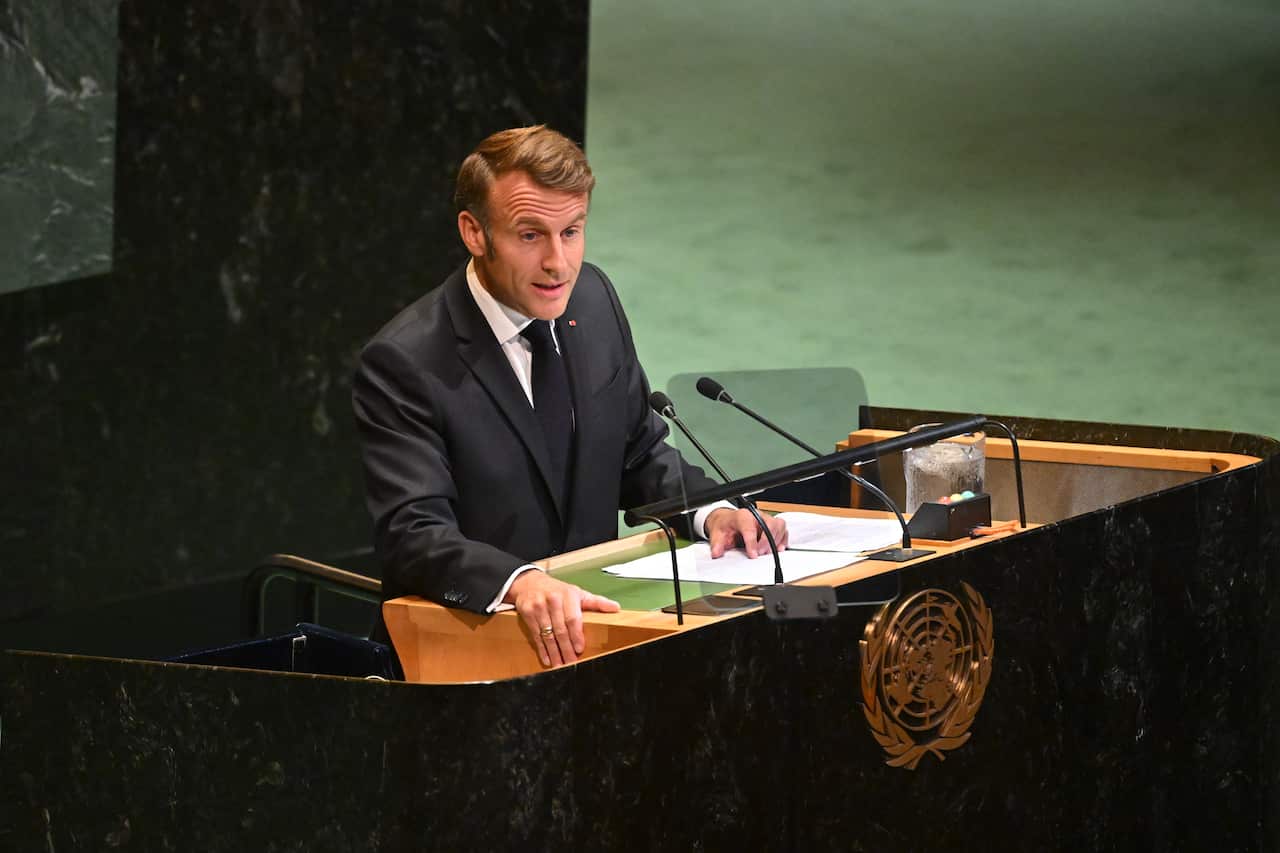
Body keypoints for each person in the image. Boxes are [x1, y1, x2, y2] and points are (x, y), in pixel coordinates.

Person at [353, 125, 787, 669]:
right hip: (462, 653)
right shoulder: (407, 361)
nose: (559, 263)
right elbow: (413, 535)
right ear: (474, 232)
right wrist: (519, 581)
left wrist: (714, 513)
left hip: (595, 638)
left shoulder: (594, 300)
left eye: (573, 231)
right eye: (530, 236)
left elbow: (639, 455)